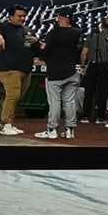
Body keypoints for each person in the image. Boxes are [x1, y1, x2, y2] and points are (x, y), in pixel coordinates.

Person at [34, 8, 84, 140]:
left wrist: (37, 45)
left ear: (60, 17)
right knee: (69, 101)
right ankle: (70, 130)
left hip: (55, 72)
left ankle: (52, 129)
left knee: (55, 102)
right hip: (72, 71)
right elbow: (75, 28)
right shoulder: (76, 32)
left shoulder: (53, 33)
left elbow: (45, 51)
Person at [0, 6, 32, 134]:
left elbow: (32, 45)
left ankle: (10, 122)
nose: (22, 18)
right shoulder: (4, 27)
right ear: (11, 16)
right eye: (19, 16)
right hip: (9, 68)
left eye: (24, 16)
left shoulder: (26, 30)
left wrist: (36, 42)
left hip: (25, 69)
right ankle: (6, 124)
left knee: (18, 96)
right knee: (13, 95)